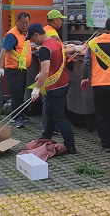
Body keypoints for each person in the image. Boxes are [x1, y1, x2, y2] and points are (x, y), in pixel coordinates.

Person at [26, 23, 77, 154]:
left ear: (36, 35)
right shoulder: (56, 42)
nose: (33, 42)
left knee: (59, 116)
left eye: (32, 39)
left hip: (55, 88)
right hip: (63, 83)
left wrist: (36, 89)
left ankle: (70, 146)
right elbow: (56, 62)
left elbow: (45, 71)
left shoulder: (44, 49)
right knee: (50, 112)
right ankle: (46, 137)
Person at [80, 18, 110, 152]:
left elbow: (86, 63)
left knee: (102, 114)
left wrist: (84, 77)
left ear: (105, 28)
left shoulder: (93, 43)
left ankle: (106, 144)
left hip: (99, 83)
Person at [0, 12, 32, 128]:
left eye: (27, 23)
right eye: (22, 23)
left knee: (20, 93)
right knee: (16, 94)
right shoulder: (12, 35)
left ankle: (20, 114)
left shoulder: (25, 34)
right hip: (13, 70)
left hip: (22, 69)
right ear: (17, 22)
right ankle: (17, 118)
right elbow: (3, 51)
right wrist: (0, 68)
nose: (25, 25)